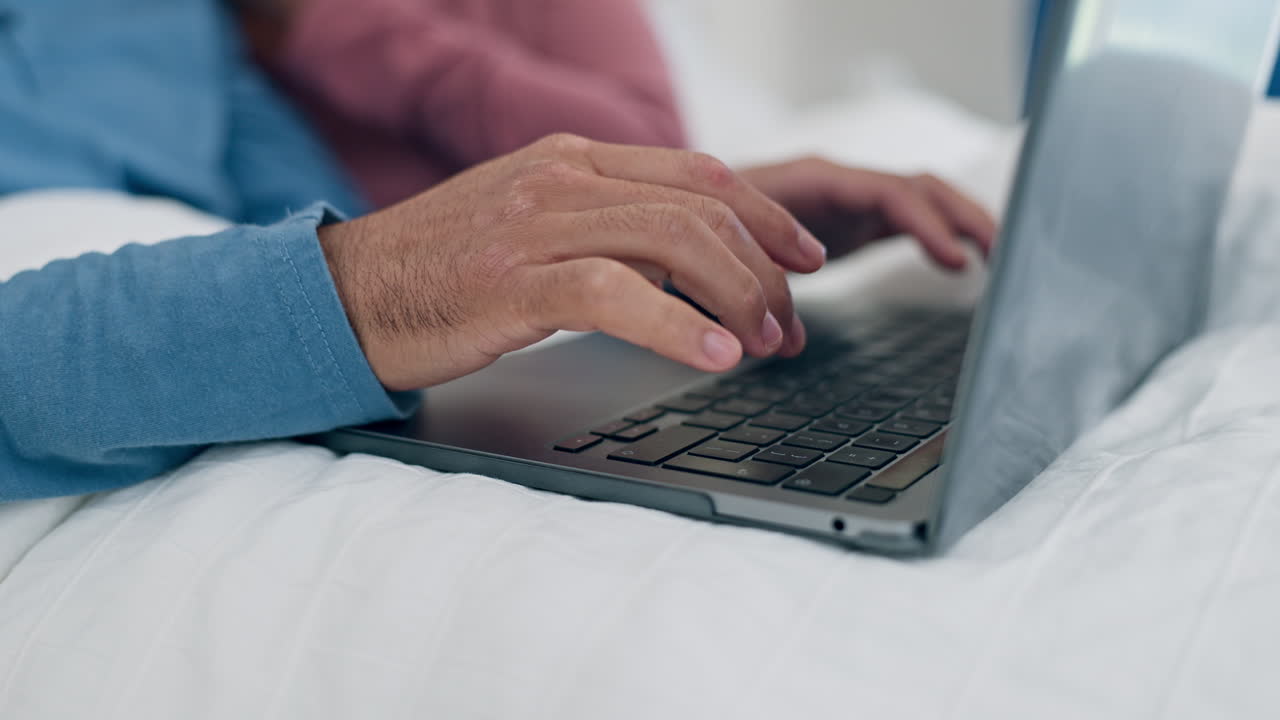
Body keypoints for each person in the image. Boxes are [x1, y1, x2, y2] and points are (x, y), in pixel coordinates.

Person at [0, 0, 995, 502]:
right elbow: (350, 263)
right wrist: (377, 291)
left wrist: (660, 222)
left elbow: (306, 218)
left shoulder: (180, 21)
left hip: (148, 289)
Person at [237, 0, 688, 208]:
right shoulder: (213, 27)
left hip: (589, 323)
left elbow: (653, 163)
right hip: (367, 343)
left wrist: (337, 21)